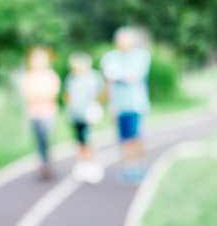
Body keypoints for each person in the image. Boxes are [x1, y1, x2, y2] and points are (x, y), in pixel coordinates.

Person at [100, 27, 151, 185]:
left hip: (136, 104)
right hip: (119, 105)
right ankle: (128, 167)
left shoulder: (141, 56)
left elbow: (133, 76)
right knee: (123, 139)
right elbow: (109, 81)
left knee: (136, 137)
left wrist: (117, 74)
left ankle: (139, 165)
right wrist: (110, 103)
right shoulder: (109, 57)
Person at [18, 47, 61, 179]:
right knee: (38, 142)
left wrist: (38, 95)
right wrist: (40, 95)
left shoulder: (51, 76)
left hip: (48, 113)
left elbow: (52, 94)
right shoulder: (28, 77)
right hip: (34, 114)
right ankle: (43, 165)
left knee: (46, 140)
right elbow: (27, 94)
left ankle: (47, 163)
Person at [63, 51, 105, 184]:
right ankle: (81, 166)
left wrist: (95, 109)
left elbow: (100, 94)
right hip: (75, 114)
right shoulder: (71, 78)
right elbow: (68, 95)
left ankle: (94, 166)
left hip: (89, 114)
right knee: (79, 141)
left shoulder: (94, 77)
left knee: (89, 140)